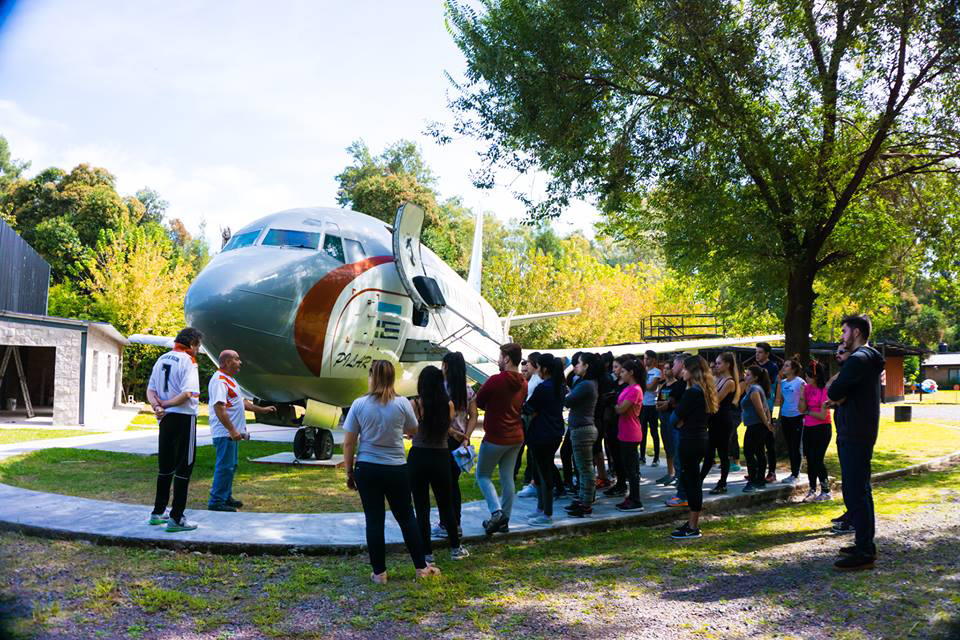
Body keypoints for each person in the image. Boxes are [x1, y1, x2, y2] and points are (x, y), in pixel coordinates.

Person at [343, 360, 438, 583]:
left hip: (367, 467)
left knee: (374, 520)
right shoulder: (402, 403)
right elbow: (413, 428)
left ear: (372, 377)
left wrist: (349, 472)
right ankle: (421, 568)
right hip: (396, 468)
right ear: (392, 378)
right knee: (406, 517)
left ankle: (379, 573)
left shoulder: (359, 404)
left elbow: (349, 443)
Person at [827, 315, 885, 571]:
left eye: (844, 331)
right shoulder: (870, 358)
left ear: (857, 332)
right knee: (859, 489)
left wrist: (838, 393)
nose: (841, 336)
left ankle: (864, 550)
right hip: (860, 430)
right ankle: (864, 543)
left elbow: (833, 391)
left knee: (855, 490)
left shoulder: (858, 359)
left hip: (855, 432)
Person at [409, 366, 469, 562]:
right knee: (446, 504)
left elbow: (411, 431)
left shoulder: (416, 404)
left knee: (421, 506)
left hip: (418, 456)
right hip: (441, 456)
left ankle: (427, 552)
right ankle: (455, 547)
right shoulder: (448, 404)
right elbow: (444, 427)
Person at [146, 327, 203, 533]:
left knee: (165, 466)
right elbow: (188, 392)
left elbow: (151, 389)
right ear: (193, 344)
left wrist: (158, 407)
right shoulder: (189, 361)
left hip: (166, 420)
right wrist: (168, 404)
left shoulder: (162, 358)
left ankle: (157, 512)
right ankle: (176, 517)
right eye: (198, 346)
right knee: (183, 467)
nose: (198, 351)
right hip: (184, 418)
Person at [207, 350, 277, 512]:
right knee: (224, 466)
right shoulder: (219, 381)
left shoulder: (230, 380)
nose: (240, 362)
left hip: (232, 433)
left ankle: (225, 496)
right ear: (225, 363)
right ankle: (216, 502)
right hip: (225, 433)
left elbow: (241, 402)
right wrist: (231, 430)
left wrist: (262, 409)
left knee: (231, 466)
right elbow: (219, 407)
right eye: (236, 359)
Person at [471, 343, 527, 536]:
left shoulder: (495, 380)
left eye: (500, 356)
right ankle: (505, 520)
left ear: (507, 359)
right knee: (507, 478)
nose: (498, 359)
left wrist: (492, 407)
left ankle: (496, 513)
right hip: (516, 436)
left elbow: (478, 401)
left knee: (482, 475)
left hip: (496, 436)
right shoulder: (524, 382)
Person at [671, 355, 718, 539]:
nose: (682, 372)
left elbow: (675, 418)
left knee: (692, 482)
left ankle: (693, 526)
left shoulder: (692, 393)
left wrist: (680, 421)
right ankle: (692, 521)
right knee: (692, 480)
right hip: (700, 438)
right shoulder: (705, 391)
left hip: (690, 440)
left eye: (684, 369)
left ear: (692, 372)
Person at [432, 352, 477, 540]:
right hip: (460, 441)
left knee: (442, 485)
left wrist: (451, 431)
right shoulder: (467, 390)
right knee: (453, 483)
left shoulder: (441, 389)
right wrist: (466, 436)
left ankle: (445, 524)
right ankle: (456, 523)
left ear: (447, 366)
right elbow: (473, 415)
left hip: (442, 440)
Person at [523, 353, 567, 526]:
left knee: (543, 472)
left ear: (545, 369)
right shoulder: (559, 386)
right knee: (543, 470)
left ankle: (546, 512)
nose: (537, 370)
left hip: (541, 433)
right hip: (554, 432)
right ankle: (541, 509)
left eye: (539, 367)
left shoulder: (544, 387)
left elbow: (528, 408)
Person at [564, 353, 600, 517]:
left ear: (586, 366)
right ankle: (583, 499)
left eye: (578, 363)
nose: (575, 366)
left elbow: (568, 400)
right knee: (582, 468)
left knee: (585, 469)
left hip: (582, 430)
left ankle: (586, 504)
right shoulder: (586, 383)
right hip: (582, 429)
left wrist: (566, 393)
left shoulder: (586, 384)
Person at [701, 352, 740, 494]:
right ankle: (699, 480)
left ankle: (722, 483)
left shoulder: (729, 382)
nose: (716, 366)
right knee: (709, 452)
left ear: (727, 365)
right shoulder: (717, 379)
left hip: (723, 420)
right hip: (714, 419)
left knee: (722, 453)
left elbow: (716, 399)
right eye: (716, 363)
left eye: (719, 363)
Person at [614, 358, 646, 511]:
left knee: (632, 469)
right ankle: (631, 497)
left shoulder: (635, 390)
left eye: (624, 371)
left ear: (631, 373)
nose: (621, 373)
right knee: (627, 467)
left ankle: (636, 500)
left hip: (631, 433)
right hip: (624, 432)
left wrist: (614, 405)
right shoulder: (628, 388)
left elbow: (621, 409)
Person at [798, 360, 832, 503]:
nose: (806, 379)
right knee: (810, 459)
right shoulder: (806, 388)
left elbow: (823, 415)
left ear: (816, 376)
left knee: (817, 459)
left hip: (822, 429)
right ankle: (812, 489)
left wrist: (808, 411)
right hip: (809, 428)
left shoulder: (824, 390)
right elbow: (800, 409)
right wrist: (801, 394)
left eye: (809, 376)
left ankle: (826, 491)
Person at [601, 355, 633, 497]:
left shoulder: (629, 386)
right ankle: (620, 482)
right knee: (614, 455)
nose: (614, 370)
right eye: (612, 367)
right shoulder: (614, 383)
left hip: (623, 425)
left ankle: (627, 486)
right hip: (611, 423)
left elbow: (622, 407)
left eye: (617, 367)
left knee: (624, 457)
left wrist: (613, 401)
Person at [741, 365, 773, 493]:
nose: (745, 376)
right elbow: (766, 407)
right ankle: (760, 480)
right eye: (746, 374)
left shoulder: (754, 389)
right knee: (759, 452)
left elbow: (760, 409)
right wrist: (768, 423)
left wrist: (766, 424)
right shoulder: (755, 388)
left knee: (749, 452)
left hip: (756, 426)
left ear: (755, 377)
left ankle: (752, 481)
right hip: (758, 425)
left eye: (748, 375)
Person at [775, 356, 807, 485]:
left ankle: (795, 474)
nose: (784, 368)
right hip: (785, 417)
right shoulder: (782, 383)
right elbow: (778, 401)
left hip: (797, 417)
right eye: (784, 365)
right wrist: (774, 418)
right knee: (790, 446)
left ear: (793, 369)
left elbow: (806, 400)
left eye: (787, 366)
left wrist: (804, 414)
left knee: (795, 446)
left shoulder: (800, 382)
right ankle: (793, 473)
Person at [664, 354, 689, 507]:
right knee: (680, 462)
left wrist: (680, 420)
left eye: (674, 364)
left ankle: (683, 495)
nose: (673, 368)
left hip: (684, 430)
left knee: (681, 463)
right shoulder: (683, 385)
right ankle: (682, 493)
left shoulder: (691, 388)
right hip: (679, 427)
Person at [516, 352, 542, 497]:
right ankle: (533, 481)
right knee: (532, 452)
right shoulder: (533, 380)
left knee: (534, 453)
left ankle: (534, 482)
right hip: (530, 418)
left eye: (528, 363)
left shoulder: (537, 381)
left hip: (533, 418)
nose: (526, 365)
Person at [755, 342, 780, 483]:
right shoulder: (757, 367)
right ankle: (759, 469)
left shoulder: (772, 367)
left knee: (769, 441)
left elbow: (767, 384)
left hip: (767, 407)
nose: (757, 355)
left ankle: (772, 472)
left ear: (767, 354)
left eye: (760, 352)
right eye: (756, 352)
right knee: (758, 441)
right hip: (756, 406)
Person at [655, 362, 678, 486]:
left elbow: (672, 403)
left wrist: (665, 405)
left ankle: (675, 473)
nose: (665, 371)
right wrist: (660, 406)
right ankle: (670, 472)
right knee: (667, 445)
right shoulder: (663, 385)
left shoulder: (676, 385)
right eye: (664, 369)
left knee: (674, 445)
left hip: (671, 417)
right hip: (663, 418)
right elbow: (659, 401)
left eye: (668, 368)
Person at [639, 351, 662, 466]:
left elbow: (652, 387)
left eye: (647, 358)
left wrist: (641, 384)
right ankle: (642, 456)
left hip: (652, 405)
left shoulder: (657, 372)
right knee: (642, 432)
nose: (645, 361)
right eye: (644, 358)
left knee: (654, 432)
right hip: (642, 405)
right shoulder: (642, 372)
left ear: (653, 359)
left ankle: (656, 458)